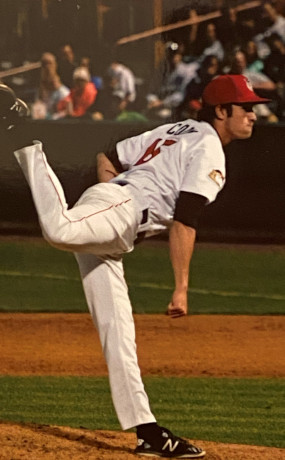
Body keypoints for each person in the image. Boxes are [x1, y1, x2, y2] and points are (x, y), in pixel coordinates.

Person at [1, 75, 270, 458]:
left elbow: (110, 156)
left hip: (116, 217)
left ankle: (148, 433)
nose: (254, 114)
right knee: (59, 229)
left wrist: (110, 193)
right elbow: (186, 218)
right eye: (247, 107)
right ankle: (21, 132)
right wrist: (181, 286)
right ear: (223, 111)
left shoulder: (180, 129)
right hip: (120, 210)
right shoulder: (209, 146)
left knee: (119, 334)